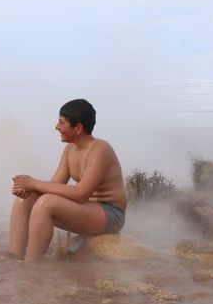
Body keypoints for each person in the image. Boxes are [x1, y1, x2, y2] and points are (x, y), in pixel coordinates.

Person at [8, 99, 127, 262]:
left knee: (45, 204)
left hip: (110, 214)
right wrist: (29, 188)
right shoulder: (70, 149)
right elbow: (55, 185)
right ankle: (14, 260)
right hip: (86, 209)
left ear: (78, 128)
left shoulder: (101, 149)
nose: (56, 127)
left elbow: (81, 194)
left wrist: (34, 183)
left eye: (61, 122)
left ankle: (31, 267)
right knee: (24, 200)